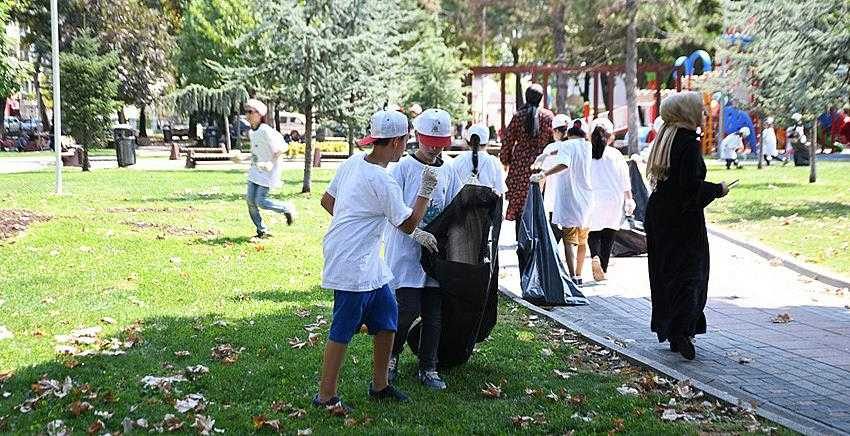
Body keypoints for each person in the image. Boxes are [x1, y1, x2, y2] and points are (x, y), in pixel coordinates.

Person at [315, 109, 440, 410]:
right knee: (343, 328)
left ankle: (380, 385)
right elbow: (408, 225)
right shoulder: (383, 182)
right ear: (396, 141)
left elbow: (327, 200)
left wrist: (354, 221)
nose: (408, 145)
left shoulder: (354, 162)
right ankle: (325, 396)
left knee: (387, 316)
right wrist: (425, 192)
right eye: (406, 140)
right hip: (350, 261)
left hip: (366, 258)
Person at [645, 91, 731, 361]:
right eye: (699, 109)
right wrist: (717, 189)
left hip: (660, 217)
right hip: (682, 221)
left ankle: (672, 329)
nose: (703, 114)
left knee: (667, 274)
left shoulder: (665, 139)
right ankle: (682, 330)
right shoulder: (688, 143)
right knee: (690, 275)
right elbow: (689, 188)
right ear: (687, 112)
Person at [385, 108, 461, 390]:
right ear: (417, 137)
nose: (434, 148)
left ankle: (428, 366)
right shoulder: (403, 168)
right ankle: (390, 357)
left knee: (434, 311)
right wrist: (414, 232)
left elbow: (453, 208)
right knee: (406, 309)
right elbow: (392, 211)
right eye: (429, 142)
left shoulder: (449, 170)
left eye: (440, 143)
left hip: (435, 254)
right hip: (406, 252)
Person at [530, 121, 592, 286]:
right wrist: (548, 155)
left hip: (569, 198)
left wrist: (544, 174)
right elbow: (567, 151)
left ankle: (572, 276)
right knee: (582, 239)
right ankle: (579, 274)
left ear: (569, 132)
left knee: (568, 239)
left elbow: (564, 163)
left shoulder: (566, 145)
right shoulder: (587, 146)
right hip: (586, 199)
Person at [586, 118, 635, 282]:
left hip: (593, 198)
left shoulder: (587, 154)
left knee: (593, 232)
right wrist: (629, 199)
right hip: (614, 199)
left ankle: (594, 256)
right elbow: (625, 180)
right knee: (608, 235)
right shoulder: (615, 155)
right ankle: (603, 270)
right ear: (610, 136)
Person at [500, 84, 555, 230]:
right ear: (541, 98)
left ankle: (522, 243)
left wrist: (505, 160)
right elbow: (553, 142)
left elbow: (508, 141)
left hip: (520, 165)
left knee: (520, 206)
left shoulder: (518, 116)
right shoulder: (548, 117)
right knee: (539, 203)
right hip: (542, 164)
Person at [242, 99, 295, 238]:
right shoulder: (252, 132)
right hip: (255, 172)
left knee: (260, 201)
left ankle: (287, 208)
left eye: (250, 112)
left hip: (267, 173)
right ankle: (262, 231)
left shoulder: (266, 131)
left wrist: (270, 163)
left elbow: (282, 148)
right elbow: (255, 154)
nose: (247, 115)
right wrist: (242, 159)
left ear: (259, 114)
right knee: (250, 202)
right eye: (246, 112)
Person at [531, 114, 571, 241]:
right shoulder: (575, 147)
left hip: (553, 195)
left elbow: (543, 175)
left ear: (557, 131)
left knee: (554, 225)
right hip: (572, 194)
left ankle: (555, 253)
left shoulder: (550, 148)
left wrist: (539, 194)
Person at [452, 124, 507, 194]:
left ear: (468, 142)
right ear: (487, 142)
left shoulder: (458, 160)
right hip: (487, 204)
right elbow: (500, 191)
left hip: (462, 203)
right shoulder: (494, 162)